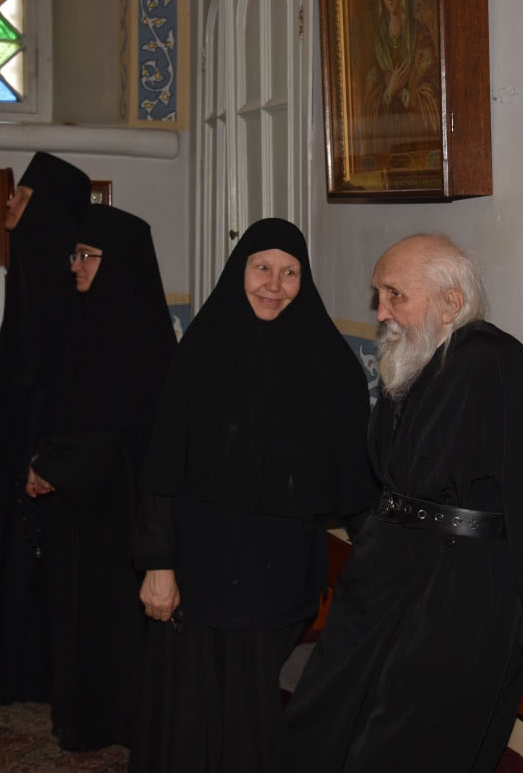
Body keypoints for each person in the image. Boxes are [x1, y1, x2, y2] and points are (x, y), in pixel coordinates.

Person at [280, 233, 523, 772]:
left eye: (395, 294)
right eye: (379, 294)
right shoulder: (413, 360)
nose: (381, 312)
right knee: (323, 733)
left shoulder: (501, 367)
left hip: (461, 601)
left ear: (450, 302)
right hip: (383, 582)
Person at [130, 218, 376, 772]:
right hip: (203, 564)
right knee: (194, 699)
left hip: (281, 574)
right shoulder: (201, 353)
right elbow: (163, 467)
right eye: (262, 268)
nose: (274, 284)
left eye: (290, 273)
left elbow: (354, 477)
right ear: (237, 272)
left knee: (247, 703)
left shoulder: (327, 361)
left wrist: (390, 558)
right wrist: (158, 564)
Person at [24, 205, 176, 750]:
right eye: (77, 254)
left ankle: (120, 720)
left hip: (121, 512)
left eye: (88, 256)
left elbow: (114, 432)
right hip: (84, 504)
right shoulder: (88, 323)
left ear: (121, 263)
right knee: (80, 614)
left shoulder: (140, 337)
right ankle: (87, 713)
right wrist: (47, 461)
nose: (76, 265)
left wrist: (52, 469)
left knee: (113, 619)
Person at [0, 152, 92, 704]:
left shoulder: (74, 296)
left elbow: (63, 388)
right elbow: (16, 370)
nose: (9, 205)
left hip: (48, 447)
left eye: (20, 197)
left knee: (38, 554)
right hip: (20, 435)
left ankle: (35, 672)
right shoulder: (30, 274)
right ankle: (7, 666)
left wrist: (44, 456)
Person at [362, 0, 441, 156]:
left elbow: (434, 106)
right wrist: (389, 92)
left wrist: (403, 93)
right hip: (387, 155)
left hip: (418, 152)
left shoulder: (420, 38)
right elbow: (367, 113)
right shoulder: (378, 46)